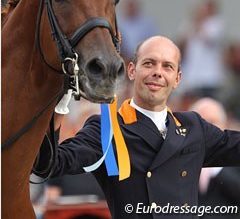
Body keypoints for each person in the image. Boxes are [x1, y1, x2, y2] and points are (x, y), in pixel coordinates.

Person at [36, 36, 240, 219]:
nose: (158, 72)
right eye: (149, 63)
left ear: (177, 79)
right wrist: (61, 100)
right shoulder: (107, 128)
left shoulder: (194, 126)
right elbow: (50, 163)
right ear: (132, 71)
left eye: (167, 66)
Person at [190, 98, 240, 219]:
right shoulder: (179, 161)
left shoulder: (236, 156)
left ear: (225, 125)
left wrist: (215, 169)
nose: (208, 129)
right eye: (203, 123)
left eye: (213, 122)